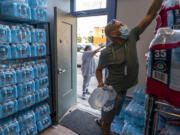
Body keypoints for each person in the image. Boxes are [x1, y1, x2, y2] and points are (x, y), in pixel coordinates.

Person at [95, 0, 164, 134]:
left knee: (113, 114)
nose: (124, 26)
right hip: (111, 91)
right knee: (108, 120)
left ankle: (102, 120)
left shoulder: (131, 37)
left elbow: (149, 15)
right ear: (114, 34)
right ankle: (104, 125)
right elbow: (98, 70)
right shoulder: (106, 52)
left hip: (124, 89)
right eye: (120, 25)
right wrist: (100, 82)